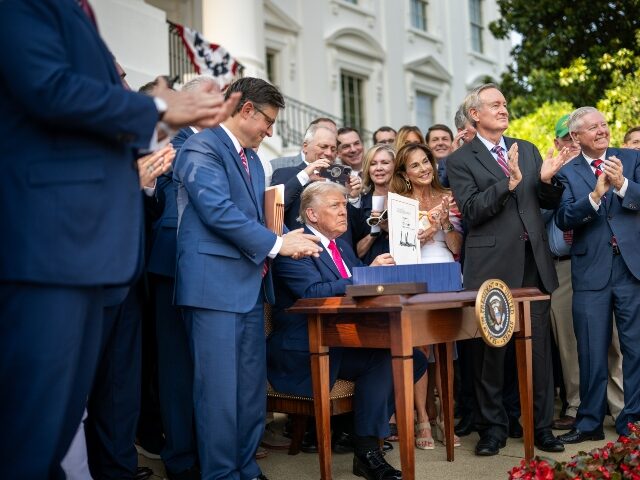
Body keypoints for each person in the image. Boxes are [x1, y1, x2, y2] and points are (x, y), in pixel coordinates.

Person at [0, 1, 240, 478]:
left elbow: (95, 128)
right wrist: (159, 106)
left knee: (58, 423)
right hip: (50, 245)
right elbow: (48, 90)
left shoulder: (79, 12)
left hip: (95, 254)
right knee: (30, 431)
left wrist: (168, 121)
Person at [173, 77, 322, 480]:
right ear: (246, 110)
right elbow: (218, 210)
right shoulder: (200, 146)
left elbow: (256, 218)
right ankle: (220, 473)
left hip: (251, 291)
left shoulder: (255, 161)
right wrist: (278, 245)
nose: (270, 131)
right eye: (268, 121)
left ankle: (244, 467)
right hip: (212, 289)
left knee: (251, 393)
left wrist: (284, 237)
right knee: (218, 395)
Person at [267, 181, 428, 480]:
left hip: (341, 341)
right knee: (386, 360)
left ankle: (363, 436)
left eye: (344, 205)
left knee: (412, 358)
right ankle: (367, 451)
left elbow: (355, 289)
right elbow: (312, 292)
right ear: (312, 214)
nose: (345, 212)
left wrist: (376, 277)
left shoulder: (339, 246)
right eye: (335, 206)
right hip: (304, 347)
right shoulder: (296, 244)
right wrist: (366, 274)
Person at [447, 83, 571, 456]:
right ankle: (493, 429)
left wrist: (548, 180)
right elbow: (470, 211)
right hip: (492, 267)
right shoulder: (460, 159)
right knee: (492, 353)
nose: (503, 109)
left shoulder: (528, 149)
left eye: (504, 103)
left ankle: (541, 426)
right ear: (475, 114)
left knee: (537, 352)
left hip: (534, 263)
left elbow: (543, 201)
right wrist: (509, 182)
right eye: (495, 104)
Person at [555, 107, 640, 443]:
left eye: (604, 125)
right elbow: (563, 217)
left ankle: (630, 421)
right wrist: (594, 196)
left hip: (631, 269)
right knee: (590, 350)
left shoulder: (630, 159)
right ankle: (589, 422)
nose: (602, 131)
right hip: (591, 272)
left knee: (635, 349)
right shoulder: (568, 171)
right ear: (576, 137)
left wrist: (622, 185)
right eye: (593, 128)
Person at [389, 142, 463, 449]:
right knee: (420, 350)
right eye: (415, 165)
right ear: (405, 173)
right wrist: (422, 234)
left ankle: (446, 417)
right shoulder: (398, 203)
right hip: (414, 276)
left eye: (426, 162)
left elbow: (458, 247)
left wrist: (443, 224)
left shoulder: (449, 196)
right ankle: (422, 418)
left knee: (446, 348)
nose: (424, 169)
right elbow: (398, 252)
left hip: (446, 273)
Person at [542, 114, 583, 432]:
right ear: (557, 142)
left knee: (611, 338)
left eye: (576, 136)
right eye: (566, 138)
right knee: (567, 339)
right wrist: (549, 181)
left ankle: (619, 404)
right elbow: (537, 213)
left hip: (597, 261)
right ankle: (575, 404)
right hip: (562, 267)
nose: (572, 143)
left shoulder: (596, 167)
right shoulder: (547, 171)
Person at [350, 145, 395, 265]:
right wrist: (374, 232)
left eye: (385, 163)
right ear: (368, 169)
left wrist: (387, 227)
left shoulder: (406, 200)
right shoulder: (359, 204)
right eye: (373, 163)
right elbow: (355, 253)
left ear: (395, 166)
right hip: (371, 271)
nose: (378, 168)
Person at [270, 117, 338, 172]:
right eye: (323, 146)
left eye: (333, 149)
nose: (329, 153)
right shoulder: (276, 166)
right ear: (305, 146)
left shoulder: (339, 173)